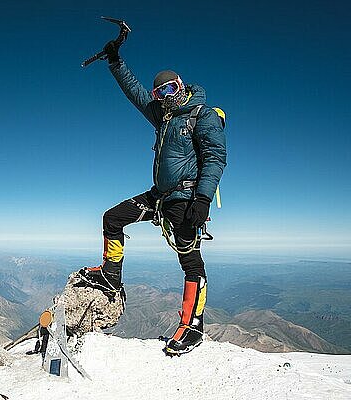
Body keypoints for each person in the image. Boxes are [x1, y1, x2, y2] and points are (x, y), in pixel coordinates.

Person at [79, 39, 227, 355]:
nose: (164, 98)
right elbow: (136, 93)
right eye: (160, 94)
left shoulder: (201, 116)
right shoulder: (164, 117)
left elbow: (215, 157)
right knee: (113, 218)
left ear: (182, 86)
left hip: (184, 199)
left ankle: (193, 326)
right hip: (159, 196)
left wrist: (202, 199)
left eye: (170, 90)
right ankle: (110, 275)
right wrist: (115, 61)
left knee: (189, 261)